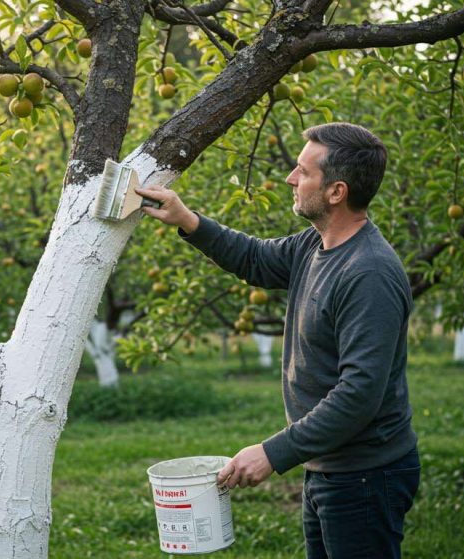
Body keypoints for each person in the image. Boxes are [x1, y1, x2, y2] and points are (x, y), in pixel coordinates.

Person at [136, 122, 420, 559]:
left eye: (303, 172)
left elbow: (359, 394)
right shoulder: (316, 244)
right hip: (330, 465)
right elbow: (257, 259)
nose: (290, 178)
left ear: (336, 192)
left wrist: (273, 452)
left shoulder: (369, 274)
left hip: (366, 474)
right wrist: (189, 221)